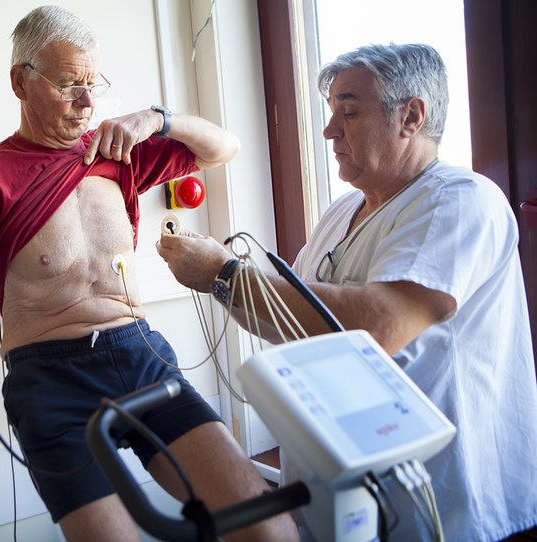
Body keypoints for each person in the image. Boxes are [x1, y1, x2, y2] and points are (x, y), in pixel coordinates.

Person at [0, 5, 298, 542]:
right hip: (48, 381)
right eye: (70, 84)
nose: (88, 102)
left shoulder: (117, 154)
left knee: (269, 530)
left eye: (94, 84)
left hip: (139, 356)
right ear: (20, 83)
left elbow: (223, 147)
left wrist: (156, 119)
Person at [157, 43, 537, 541]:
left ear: (411, 116)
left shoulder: (461, 202)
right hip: (339, 492)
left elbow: (378, 328)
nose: (329, 130)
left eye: (349, 112)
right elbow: (283, 318)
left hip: (445, 504)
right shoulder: (343, 211)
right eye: (331, 112)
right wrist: (222, 272)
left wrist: (224, 275)